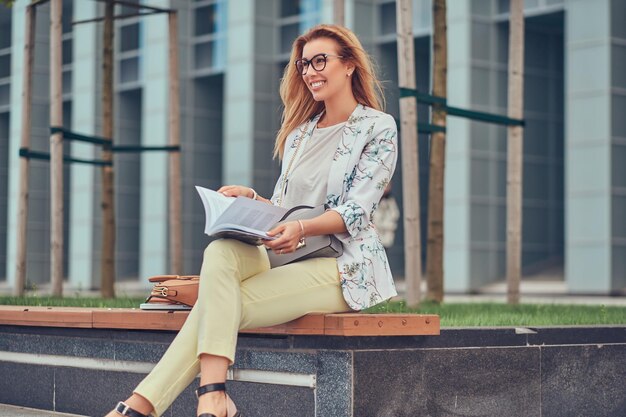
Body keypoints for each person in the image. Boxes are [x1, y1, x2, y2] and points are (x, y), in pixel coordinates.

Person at [106, 24, 398, 417]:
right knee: (222, 250)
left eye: (319, 60)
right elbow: (287, 207)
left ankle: (149, 405)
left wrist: (302, 229)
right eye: (303, 64)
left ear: (348, 65)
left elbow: (356, 211)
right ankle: (213, 395)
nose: (309, 71)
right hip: (284, 254)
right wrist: (254, 199)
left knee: (219, 303)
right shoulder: (300, 134)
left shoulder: (378, 127)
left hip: (340, 267)